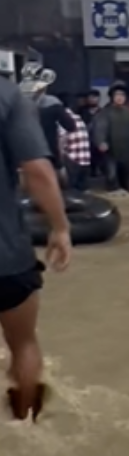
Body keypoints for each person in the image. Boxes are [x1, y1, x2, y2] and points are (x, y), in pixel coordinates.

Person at [0, 76, 71, 421]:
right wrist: (60, 227)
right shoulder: (7, 95)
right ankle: (26, 423)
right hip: (6, 257)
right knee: (24, 344)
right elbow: (37, 171)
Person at [93, 84, 129, 196]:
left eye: (122, 95)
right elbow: (99, 128)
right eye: (117, 95)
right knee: (112, 178)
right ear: (112, 97)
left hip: (127, 151)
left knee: (126, 179)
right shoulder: (105, 112)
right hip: (111, 151)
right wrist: (101, 142)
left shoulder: (128, 112)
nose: (120, 97)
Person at [57, 106, 92, 193]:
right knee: (82, 189)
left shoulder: (64, 118)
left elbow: (62, 137)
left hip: (72, 157)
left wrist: (59, 154)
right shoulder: (79, 118)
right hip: (85, 157)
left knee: (71, 188)